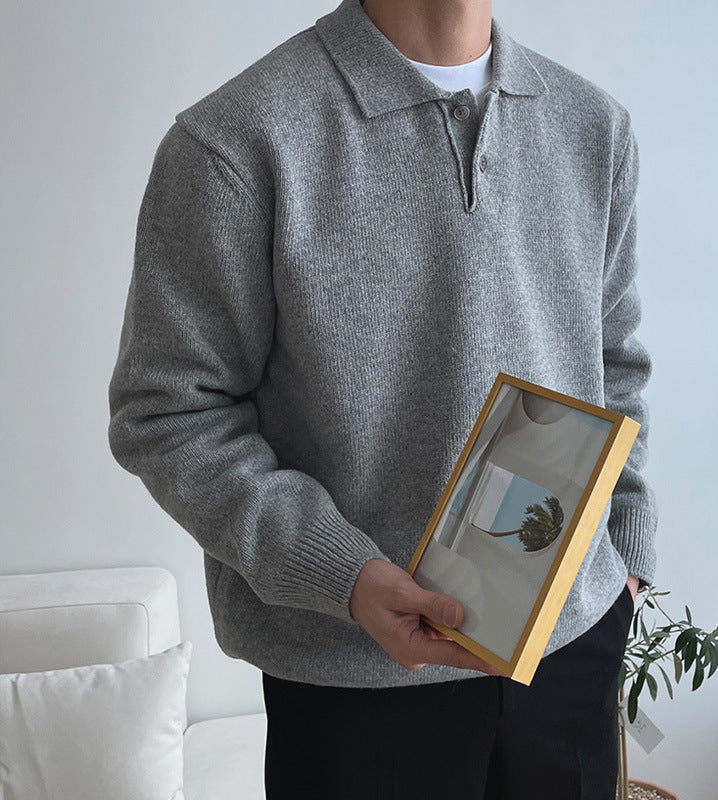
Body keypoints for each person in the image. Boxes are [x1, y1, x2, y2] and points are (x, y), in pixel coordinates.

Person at [107, 0, 658, 797]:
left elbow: (615, 364)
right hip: (352, 680)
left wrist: (627, 559)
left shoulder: (593, 126)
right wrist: (344, 574)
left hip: (571, 648)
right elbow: (169, 414)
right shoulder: (235, 142)